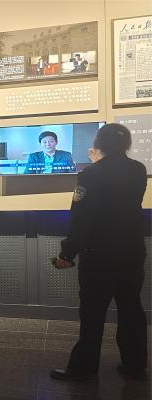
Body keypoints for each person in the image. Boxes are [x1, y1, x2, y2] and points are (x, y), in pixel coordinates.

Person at [51, 123, 148, 381]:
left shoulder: (90, 174)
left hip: (99, 254)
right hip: (131, 251)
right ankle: (135, 364)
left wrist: (67, 253)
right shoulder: (138, 170)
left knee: (92, 313)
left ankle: (84, 368)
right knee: (131, 308)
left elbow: (80, 218)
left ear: (99, 144)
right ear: (126, 144)